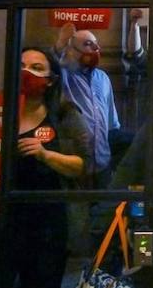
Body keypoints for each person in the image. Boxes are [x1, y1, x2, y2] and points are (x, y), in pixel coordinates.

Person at [0, 48, 90, 288]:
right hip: (4, 219)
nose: (26, 72)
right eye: (21, 65)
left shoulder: (64, 114)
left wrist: (45, 154)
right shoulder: (1, 111)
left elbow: (84, 165)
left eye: (37, 68)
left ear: (50, 81)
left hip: (48, 224)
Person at [54, 23, 120, 187]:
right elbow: (51, 66)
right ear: (71, 50)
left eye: (95, 43)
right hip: (76, 164)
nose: (95, 48)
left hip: (103, 163)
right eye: (87, 44)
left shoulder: (103, 78)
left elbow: (111, 122)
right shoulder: (64, 75)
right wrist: (61, 43)